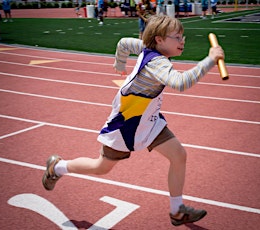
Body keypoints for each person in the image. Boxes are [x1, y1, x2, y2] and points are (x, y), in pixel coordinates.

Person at [42, 15, 225, 227]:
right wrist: (210, 60)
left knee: (178, 155)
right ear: (159, 39)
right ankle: (57, 167)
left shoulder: (145, 47)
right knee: (101, 167)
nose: (182, 41)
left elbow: (123, 43)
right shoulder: (157, 63)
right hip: (126, 124)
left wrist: (119, 63)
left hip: (148, 119)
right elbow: (180, 82)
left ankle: (177, 211)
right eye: (177, 37)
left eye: (183, 36)